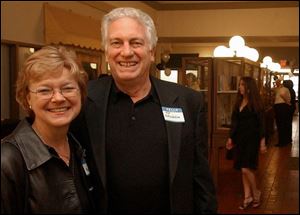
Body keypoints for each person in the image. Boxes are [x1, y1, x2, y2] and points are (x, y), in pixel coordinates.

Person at [71, 7, 217, 214]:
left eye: (136, 42)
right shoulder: (84, 99)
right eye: (116, 43)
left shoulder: (187, 102)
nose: (126, 51)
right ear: (106, 51)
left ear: (151, 51)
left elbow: (200, 178)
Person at [1, 45, 99, 213]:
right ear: (27, 98)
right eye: (45, 90)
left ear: (81, 94)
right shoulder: (7, 161)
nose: (58, 98)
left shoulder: (79, 148)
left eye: (67, 88)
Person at [226, 76, 267, 210]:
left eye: (242, 85)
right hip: (240, 139)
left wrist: (262, 142)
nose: (240, 87)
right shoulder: (238, 102)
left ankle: (256, 192)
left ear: (249, 88)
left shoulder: (256, 104)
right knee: (242, 170)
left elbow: (261, 125)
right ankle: (248, 197)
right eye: (240, 85)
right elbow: (235, 122)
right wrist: (231, 138)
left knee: (246, 168)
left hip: (252, 140)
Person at [272, 78, 291, 146]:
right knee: (280, 124)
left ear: (280, 82)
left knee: (281, 124)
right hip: (279, 107)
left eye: (277, 82)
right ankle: (282, 141)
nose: (276, 84)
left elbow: (283, 96)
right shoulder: (279, 89)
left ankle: (282, 142)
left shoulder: (283, 89)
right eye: (276, 82)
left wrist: (287, 103)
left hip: (281, 107)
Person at [283, 79, 296, 144]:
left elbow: (288, 100)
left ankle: (287, 139)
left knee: (287, 124)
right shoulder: (292, 90)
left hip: (288, 108)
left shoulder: (288, 90)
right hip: (291, 108)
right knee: (288, 123)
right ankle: (288, 139)